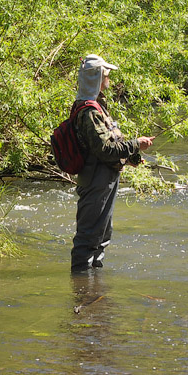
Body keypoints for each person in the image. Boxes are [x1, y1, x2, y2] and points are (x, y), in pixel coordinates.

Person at [70, 54, 154, 272]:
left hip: (104, 177)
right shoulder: (88, 112)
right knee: (88, 236)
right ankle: (81, 291)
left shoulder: (97, 106)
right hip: (95, 179)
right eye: (106, 75)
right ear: (97, 78)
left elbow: (110, 140)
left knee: (102, 234)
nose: (109, 79)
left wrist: (130, 157)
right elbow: (105, 150)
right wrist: (137, 143)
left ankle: (94, 287)